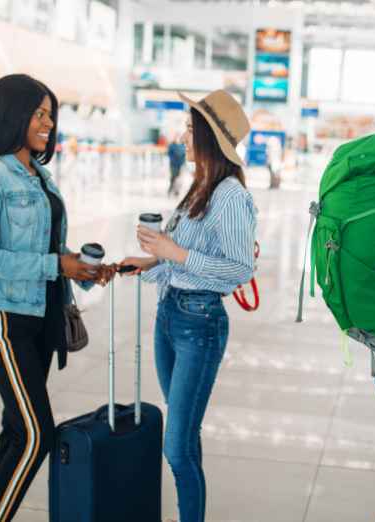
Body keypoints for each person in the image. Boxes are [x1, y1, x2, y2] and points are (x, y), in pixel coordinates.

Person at [0, 74, 115, 522]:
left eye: (50, 113)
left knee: (16, 429)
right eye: (39, 112)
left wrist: (80, 269)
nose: (48, 122)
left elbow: (43, 248)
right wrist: (56, 265)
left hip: (40, 315)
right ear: (11, 114)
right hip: (5, 319)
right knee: (35, 434)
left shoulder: (39, 174)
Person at [120, 89, 256, 522]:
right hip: (171, 315)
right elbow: (181, 264)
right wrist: (147, 263)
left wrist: (172, 252)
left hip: (199, 324)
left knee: (177, 447)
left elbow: (237, 270)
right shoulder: (200, 187)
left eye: (190, 129)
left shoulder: (230, 195)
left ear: (211, 139)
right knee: (184, 436)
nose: (182, 137)